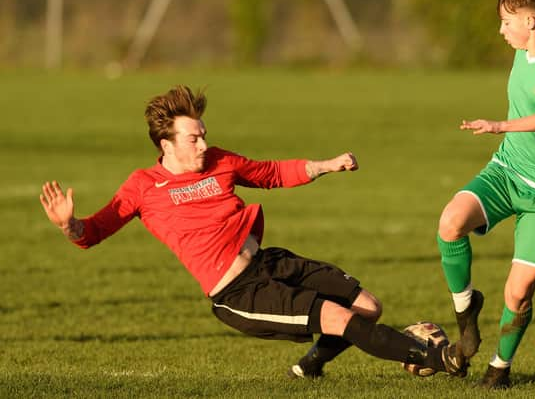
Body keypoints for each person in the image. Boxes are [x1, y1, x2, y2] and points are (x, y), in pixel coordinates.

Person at [40, 85, 461, 379]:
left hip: (268, 260)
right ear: (166, 145)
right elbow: (92, 231)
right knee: (340, 317)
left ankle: (310, 366)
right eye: (193, 139)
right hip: (238, 293)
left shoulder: (220, 160)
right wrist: (68, 225)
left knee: (368, 306)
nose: (203, 145)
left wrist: (327, 165)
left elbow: (271, 172)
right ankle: (439, 358)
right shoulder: (143, 186)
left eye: (204, 135)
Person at [436, 0, 535, 389]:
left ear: (531, 20)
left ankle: (500, 368)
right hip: (506, 171)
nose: (501, 30)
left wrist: (501, 125)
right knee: (450, 222)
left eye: (506, 22)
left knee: (518, 293)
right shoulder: (521, 54)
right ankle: (467, 318)